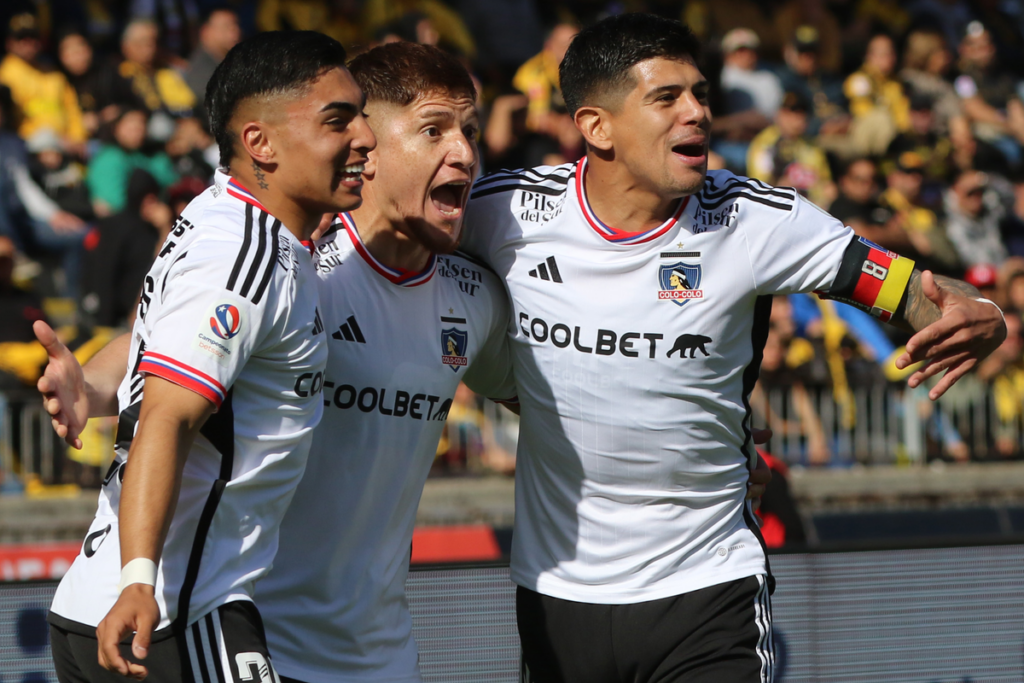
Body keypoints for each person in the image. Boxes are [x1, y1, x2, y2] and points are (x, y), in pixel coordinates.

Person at [35, 40, 773, 683]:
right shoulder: (302, 269)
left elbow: (572, 402)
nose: (464, 153)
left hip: (376, 651)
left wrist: (706, 448)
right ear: (368, 147)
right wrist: (92, 384)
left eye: (470, 130)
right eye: (434, 130)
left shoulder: (472, 298)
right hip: (252, 631)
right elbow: (173, 339)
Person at [459, 14, 1005, 682]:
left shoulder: (754, 218)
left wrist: (980, 313)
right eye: (666, 98)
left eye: (701, 94)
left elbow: (904, 286)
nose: (697, 113)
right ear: (596, 126)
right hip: (556, 592)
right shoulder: (503, 213)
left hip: (709, 586)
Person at [42, 30, 374, 683]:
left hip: (97, 608)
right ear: (261, 143)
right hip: (174, 614)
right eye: (339, 119)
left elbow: (152, 328)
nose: (365, 136)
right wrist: (140, 580)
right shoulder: (247, 254)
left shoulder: (217, 216)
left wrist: (98, 378)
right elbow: (167, 420)